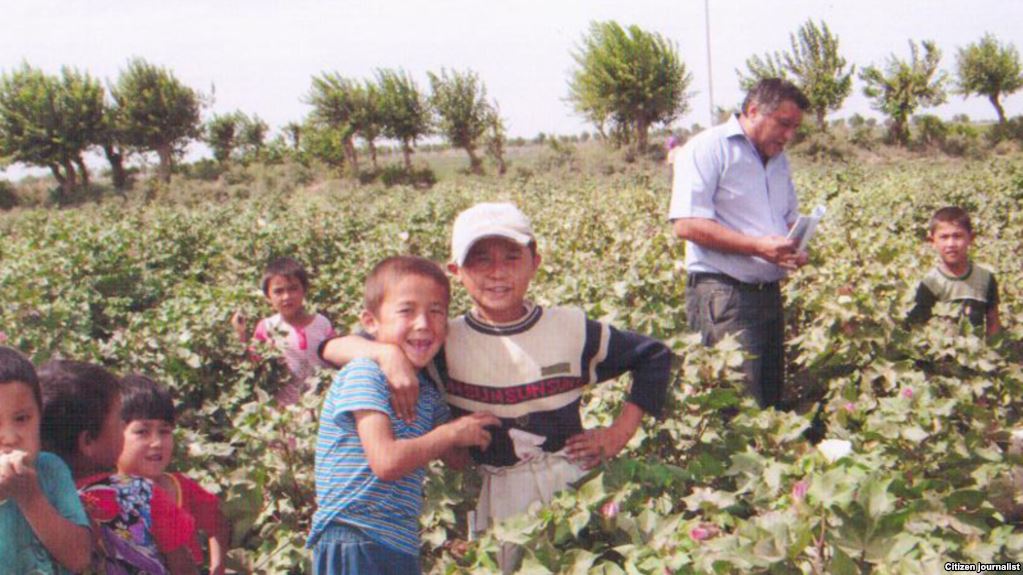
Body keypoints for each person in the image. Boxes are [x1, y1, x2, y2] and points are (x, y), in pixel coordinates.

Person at [320, 203, 671, 574]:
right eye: (480, 260)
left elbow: (653, 356)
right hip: (499, 495)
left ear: (535, 261)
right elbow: (329, 348)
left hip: (575, 485)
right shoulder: (441, 338)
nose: (497, 272)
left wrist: (618, 433)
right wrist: (384, 354)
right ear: (456, 271)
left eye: (511, 257)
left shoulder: (570, 329)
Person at [307, 255, 499, 575]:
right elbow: (386, 462)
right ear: (371, 322)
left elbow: (457, 460)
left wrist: (473, 426)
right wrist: (451, 433)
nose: (423, 323)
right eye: (406, 310)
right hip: (354, 535)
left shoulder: (429, 391)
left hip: (397, 541)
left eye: (436, 311)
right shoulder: (365, 373)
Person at [669, 78, 811, 410]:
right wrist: (758, 247)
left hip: (768, 293)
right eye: (784, 124)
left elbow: (788, 217)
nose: (789, 135)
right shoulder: (708, 148)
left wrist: (794, 247)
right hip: (724, 295)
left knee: (769, 398)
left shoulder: (779, 160)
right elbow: (687, 223)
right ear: (753, 111)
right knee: (740, 406)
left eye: (795, 128)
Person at [38, 360, 197, 575]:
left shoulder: (39, 506)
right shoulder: (140, 494)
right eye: (118, 421)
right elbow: (183, 566)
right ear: (88, 442)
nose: (123, 427)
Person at [116, 375, 230, 575]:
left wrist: (217, 567)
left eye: (164, 431)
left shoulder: (181, 487)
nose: (157, 442)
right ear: (112, 434)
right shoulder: (104, 493)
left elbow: (217, 524)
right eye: (142, 431)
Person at [0, 346, 92, 575]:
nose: (11, 438)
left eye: (22, 419)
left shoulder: (50, 469)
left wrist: (30, 497)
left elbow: (79, 559)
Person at [231, 257, 337, 405]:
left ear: (304, 290)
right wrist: (240, 335)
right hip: (285, 409)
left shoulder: (322, 323)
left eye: (293, 288)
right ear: (268, 296)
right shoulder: (267, 327)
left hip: (323, 404)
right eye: (278, 291)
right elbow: (253, 364)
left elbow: (336, 361)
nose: (286, 297)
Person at [906, 206, 1000, 336]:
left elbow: (993, 323)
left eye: (957, 236)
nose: (951, 244)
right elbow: (919, 329)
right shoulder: (929, 283)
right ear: (932, 241)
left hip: (976, 353)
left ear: (971, 238)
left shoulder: (985, 278)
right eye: (944, 237)